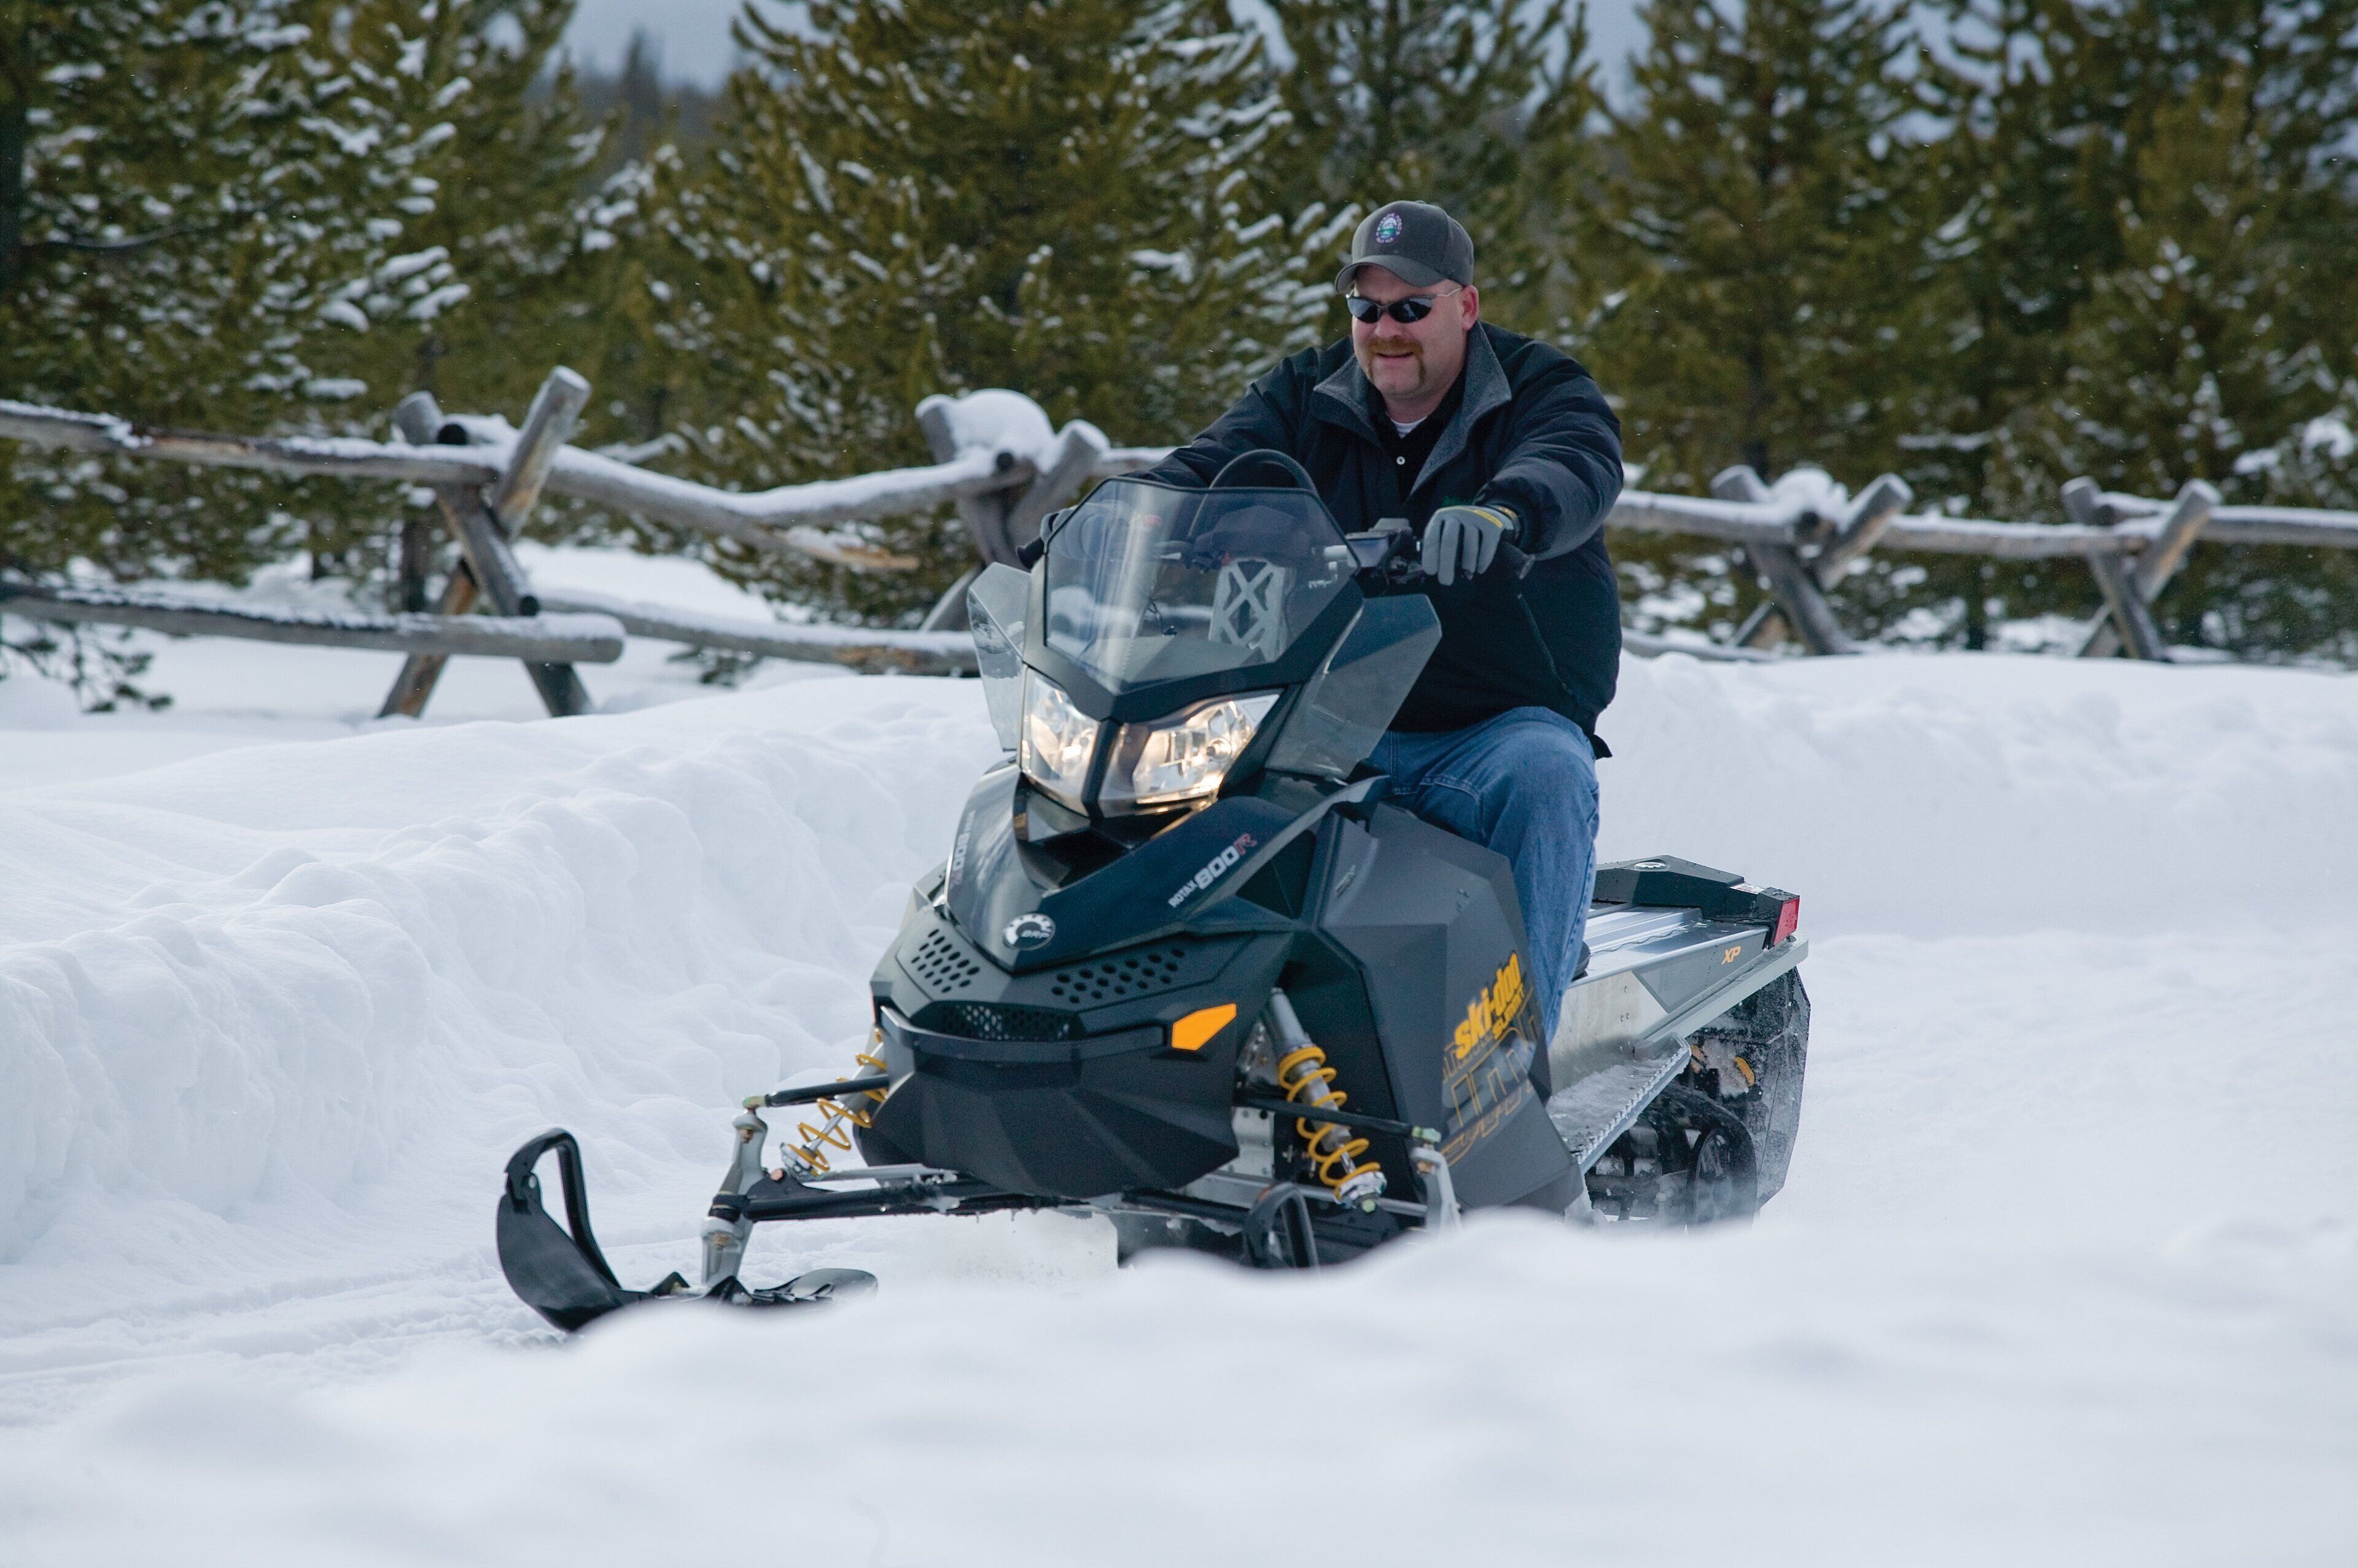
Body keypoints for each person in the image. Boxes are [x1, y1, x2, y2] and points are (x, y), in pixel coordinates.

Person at [1144, 200, 1623, 1043]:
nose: (1385, 331)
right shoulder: (1304, 393)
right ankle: (1177, 1047)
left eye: (1411, 308)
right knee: (1174, 772)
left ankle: (1519, 1071)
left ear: (1465, 307)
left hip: (1487, 727)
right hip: (1325, 722)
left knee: (1548, 776)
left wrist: (1507, 513)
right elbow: (1210, 464)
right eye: (1366, 309)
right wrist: (1131, 517)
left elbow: (1576, 460)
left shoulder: (1540, 386)